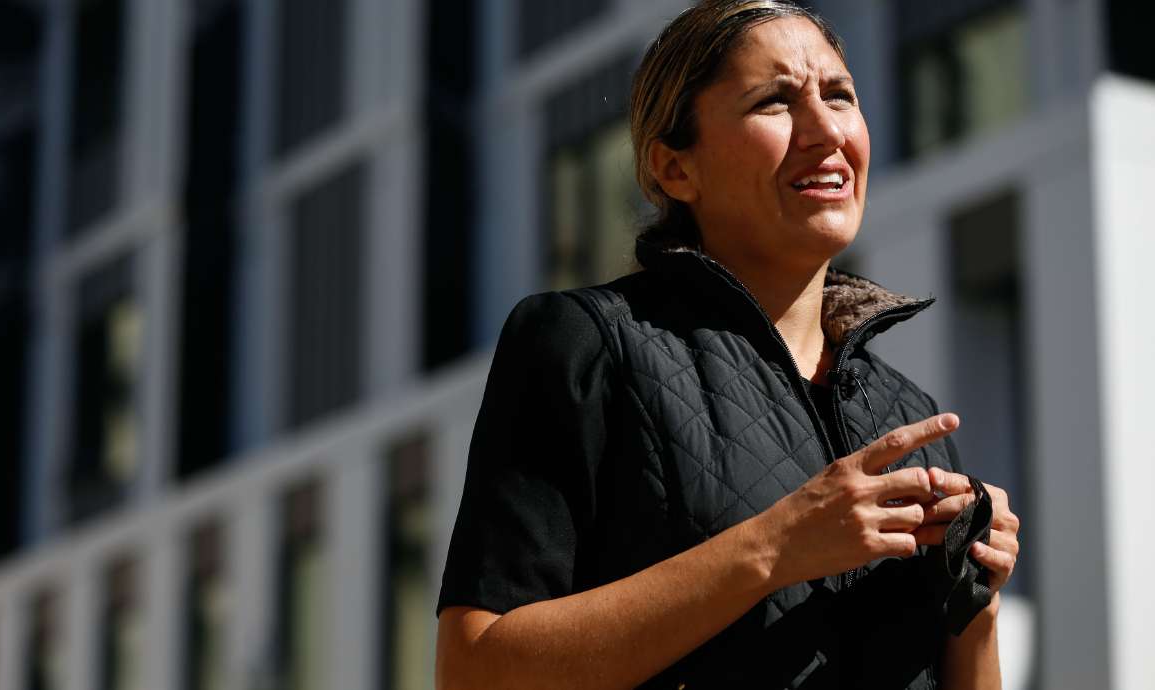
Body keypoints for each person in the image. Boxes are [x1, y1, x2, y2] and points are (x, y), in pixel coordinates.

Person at [435, 1, 1021, 688]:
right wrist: (776, 545)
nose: (827, 129)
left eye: (840, 95)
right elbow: (476, 668)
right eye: (775, 102)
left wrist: (974, 599)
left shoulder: (908, 414)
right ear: (675, 169)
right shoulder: (587, 344)